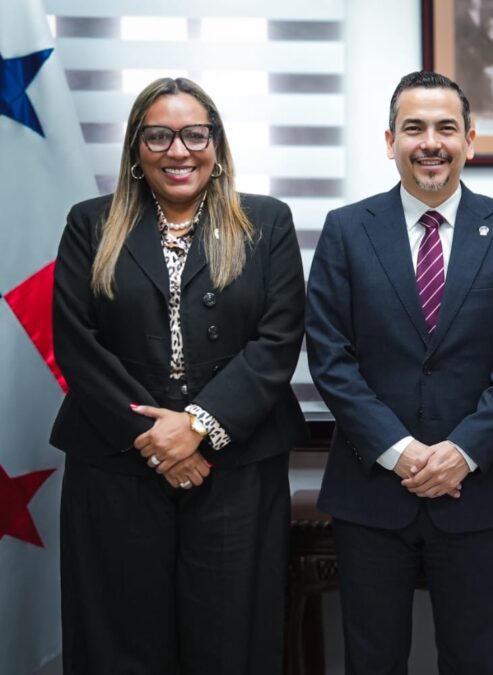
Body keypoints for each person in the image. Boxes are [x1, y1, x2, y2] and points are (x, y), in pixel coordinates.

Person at [51, 77, 306, 674]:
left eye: (195, 134)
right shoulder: (91, 224)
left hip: (236, 467)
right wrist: (161, 443)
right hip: (116, 465)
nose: (178, 150)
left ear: (216, 144)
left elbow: (278, 338)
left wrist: (199, 426)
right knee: (118, 639)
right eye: (159, 136)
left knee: (232, 641)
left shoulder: (266, 222)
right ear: (136, 150)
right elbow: (76, 342)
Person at [305, 71, 493, 675]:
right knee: (372, 658)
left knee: (474, 659)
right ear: (390, 140)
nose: (430, 142)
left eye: (446, 128)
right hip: (371, 490)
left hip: (475, 489)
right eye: (414, 128)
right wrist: (401, 451)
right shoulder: (346, 229)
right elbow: (330, 356)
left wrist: (461, 451)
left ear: (471, 139)